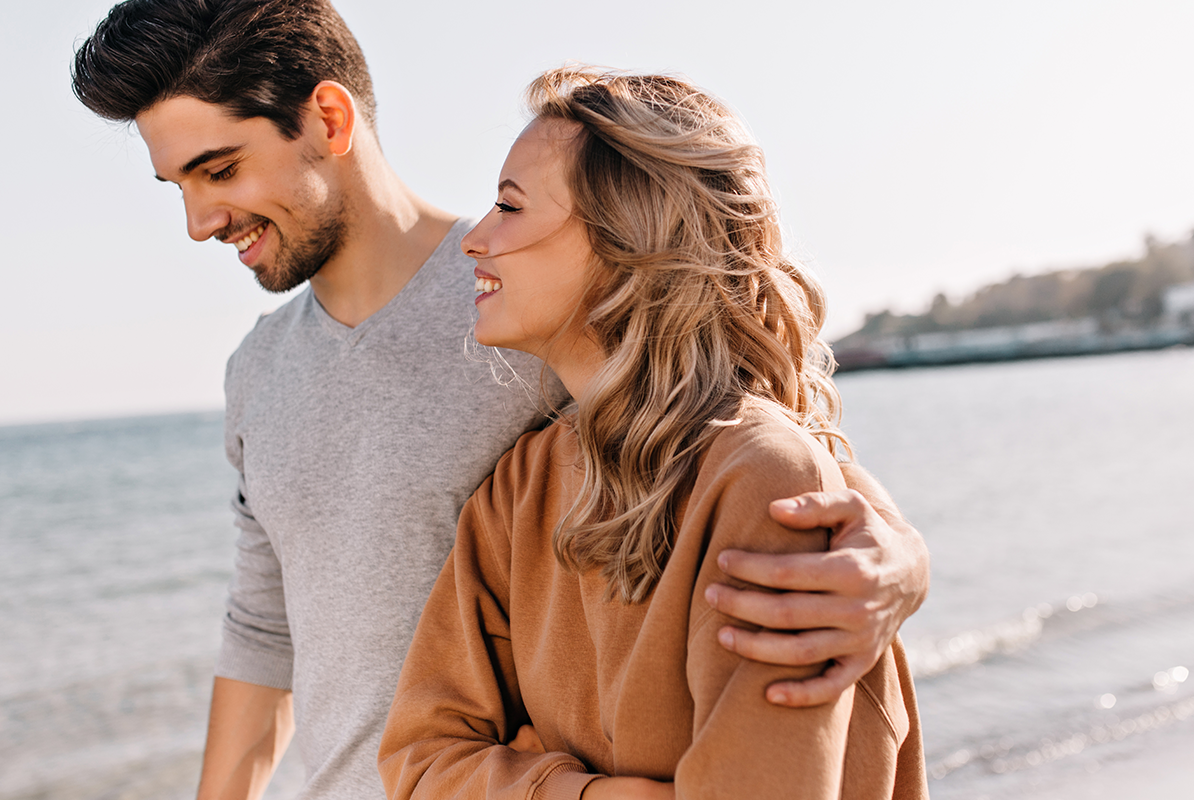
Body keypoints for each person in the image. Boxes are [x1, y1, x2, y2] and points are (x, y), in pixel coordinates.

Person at [70, 2, 930, 798]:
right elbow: (264, 629)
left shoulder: (535, 292)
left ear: (328, 121)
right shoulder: (256, 373)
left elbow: (754, 427)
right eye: (177, 185)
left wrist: (894, 554)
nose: (198, 220)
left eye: (217, 170)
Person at [376, 67, 926, 800]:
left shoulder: (762, 481)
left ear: (626, 238)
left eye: (509, 206)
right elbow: (419, 762)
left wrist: (517, 766)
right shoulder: (520, 486)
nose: (474, 241)